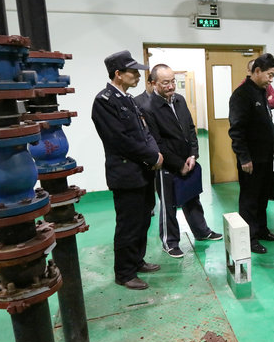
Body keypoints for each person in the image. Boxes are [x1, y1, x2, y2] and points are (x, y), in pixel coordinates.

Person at [92, 50, 163, 290]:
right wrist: (152, 156)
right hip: (126, 175)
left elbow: (145, 131)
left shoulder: (128, 100)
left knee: (142, 221)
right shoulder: (104, 102)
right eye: (133, 72)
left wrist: (155, 153)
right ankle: (124, 273)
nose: (138, 76)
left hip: (143, 172)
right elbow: (120, 141)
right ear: (118, 74)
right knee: (128, 225)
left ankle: (137, 261)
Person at [140, 63, 223, 258]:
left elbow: (191, 128)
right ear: (153, 83)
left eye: (173, 81)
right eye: (165, 83)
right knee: (168, 205)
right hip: (167, 165)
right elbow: (157, 143)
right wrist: (178, 165)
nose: (170, 86)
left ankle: (201, 231)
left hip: (188, 160)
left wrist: (193, 154)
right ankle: (170, 242)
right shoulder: (148, 108)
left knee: (192, 198)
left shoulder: (179, 100)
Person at [229, 53, 274, 254]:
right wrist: (244, 157)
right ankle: (249, 238)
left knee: (262, 196)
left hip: (266, 157)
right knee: (249, 199)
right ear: (257, 71)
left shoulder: (261, 92)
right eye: (270, 75)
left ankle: (261, 230)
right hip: (251, 159)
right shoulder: (241, 95)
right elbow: (237, 130)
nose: (271, 79)